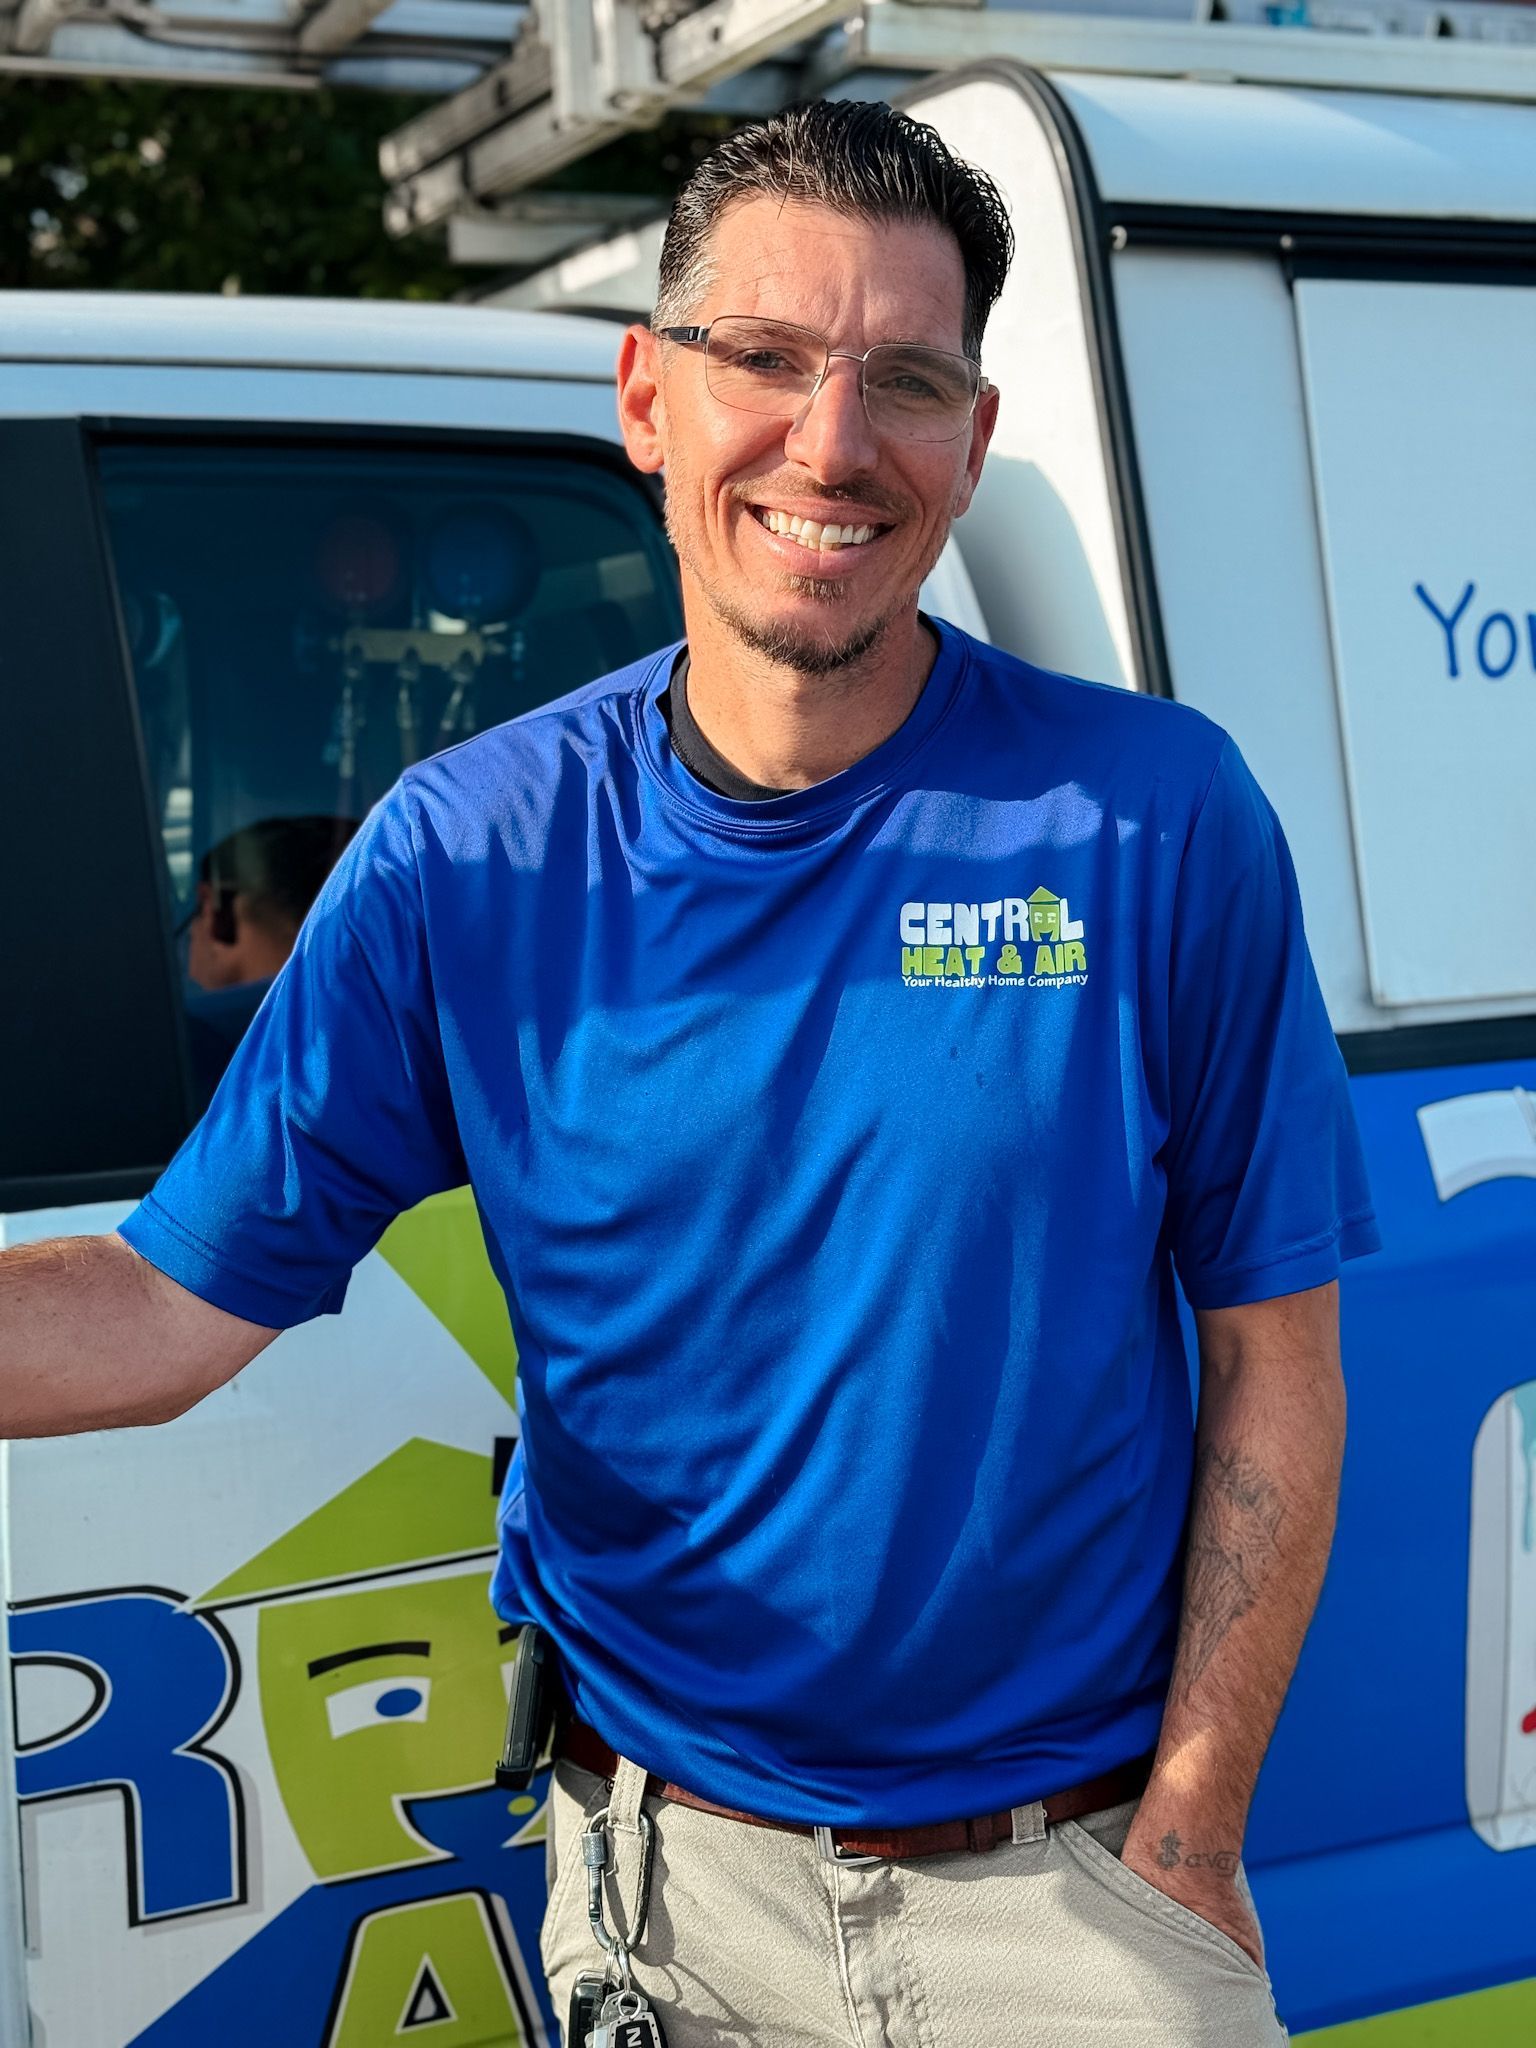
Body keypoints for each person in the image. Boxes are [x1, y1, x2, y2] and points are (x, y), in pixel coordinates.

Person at [0, 101, 1378, 2046]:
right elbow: (158, 1306)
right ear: (651, 396)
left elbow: (1276, 1357)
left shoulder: (1152, 822)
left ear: (972, 446)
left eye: (906, 378)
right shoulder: (463, 859)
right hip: (665, 1908)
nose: (832, 442)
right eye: (769, 359)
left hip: (1070, 1910)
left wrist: (1188, 1827)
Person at [179, 815, 358, 1104]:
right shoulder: (408, 1035)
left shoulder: (192, 1061)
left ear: (215, 914)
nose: (188, 934)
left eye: (192, 915)